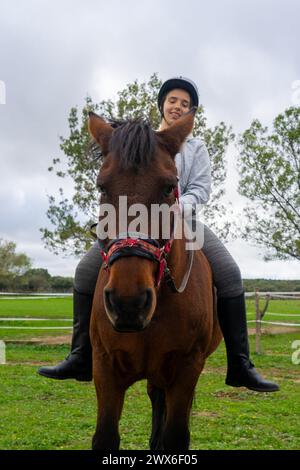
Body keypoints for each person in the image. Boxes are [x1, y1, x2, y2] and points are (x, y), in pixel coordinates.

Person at [38, 77, 279, 392]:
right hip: (131, 222)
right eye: (173, 100)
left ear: (191, 111)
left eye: (185, 103)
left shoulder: (196, 147)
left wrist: (176, 209)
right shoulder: (137, 140)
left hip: (183, 221)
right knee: (85, 271)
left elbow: (201, 190)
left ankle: (241, 364)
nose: (177, 106)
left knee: (230, 274)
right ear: (162, 104)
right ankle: (81, 354)